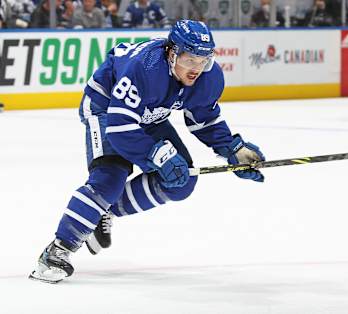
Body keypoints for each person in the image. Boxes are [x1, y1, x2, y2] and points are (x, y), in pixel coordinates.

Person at [29, 19, 266, 284]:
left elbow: (204, 118)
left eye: (203, 61)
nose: (196, 69)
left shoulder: (208, 76)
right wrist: (156, 154)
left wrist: (233, 149)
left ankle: (100, 212)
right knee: (109, 179)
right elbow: (119, 128)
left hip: (148, 115)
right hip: (107, 109)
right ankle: (55, 253)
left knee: (182, 181)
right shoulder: (145, 67)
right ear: (171, 52)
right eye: (190, 60)